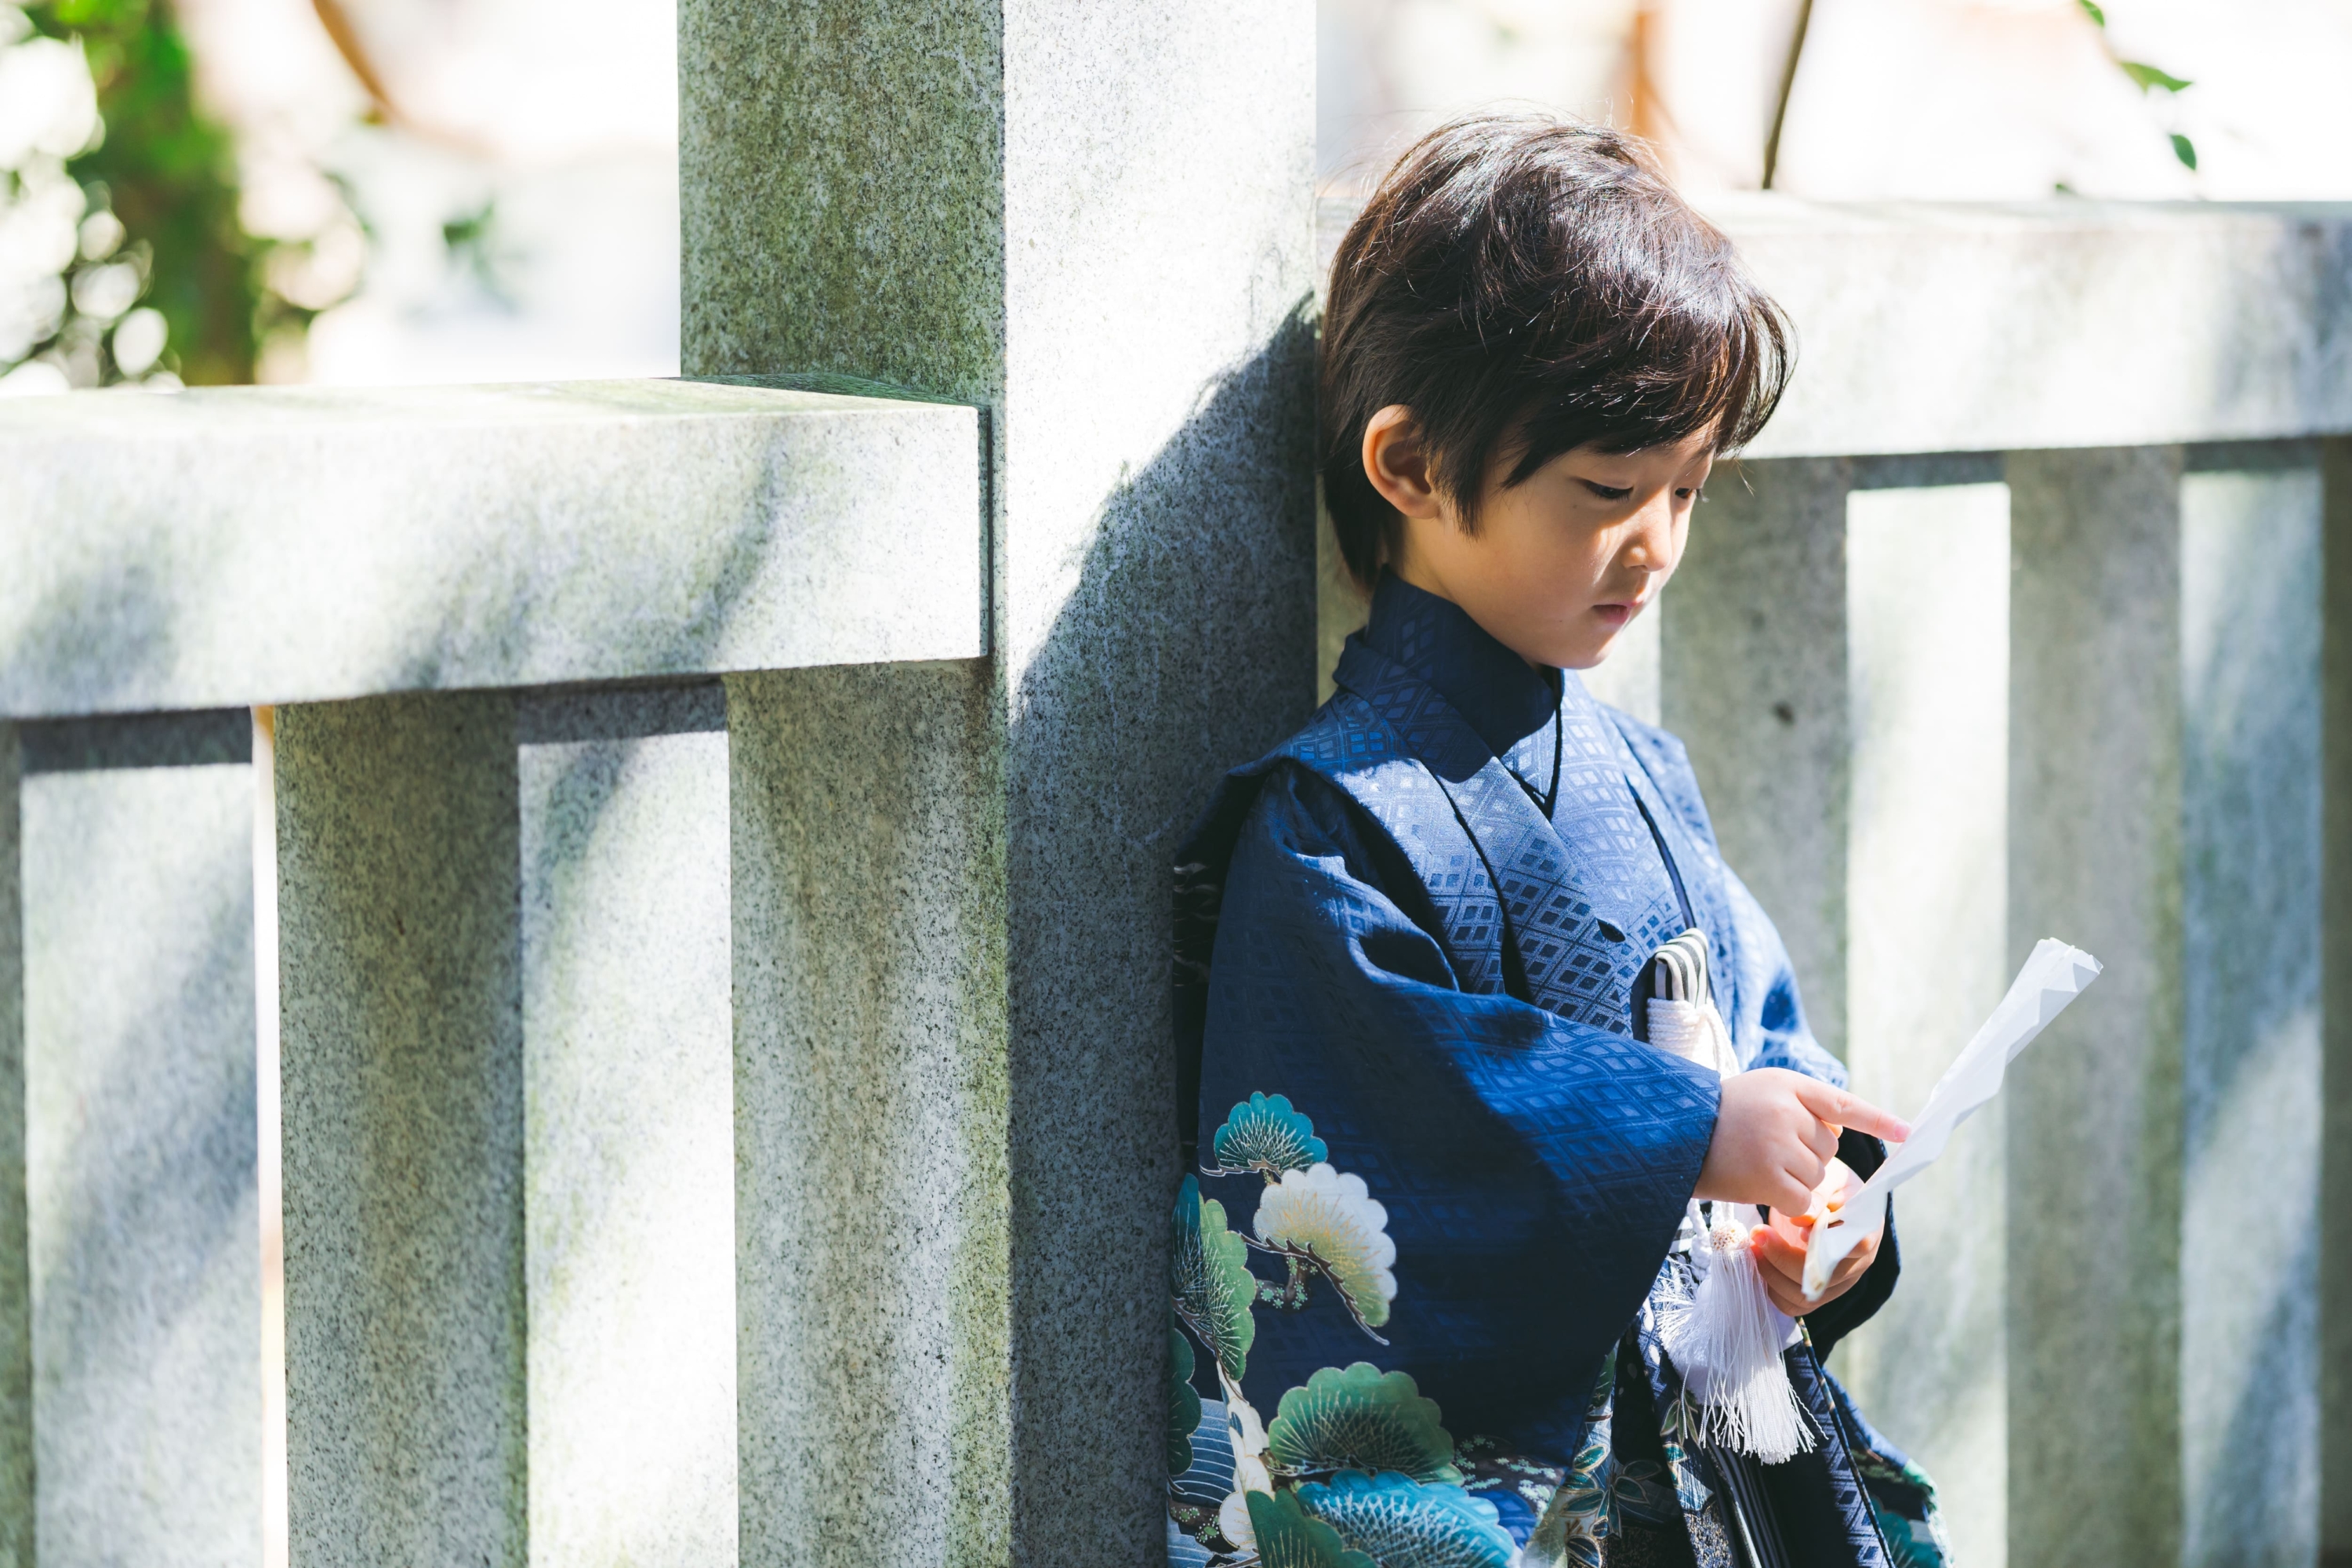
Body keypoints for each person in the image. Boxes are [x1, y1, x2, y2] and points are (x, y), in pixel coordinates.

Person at [1164, 116, 1953, 1568]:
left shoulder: (1640, 774)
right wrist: (1689, 1136)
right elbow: (1386, 1134)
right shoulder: (1335, 821)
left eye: (1685, 490)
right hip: (1526, 1494)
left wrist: (1813, 1204)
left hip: (1681, 1449)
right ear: (1405, 465)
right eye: (1606, 493)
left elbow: (1762, 1034)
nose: (1654, 541)